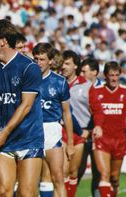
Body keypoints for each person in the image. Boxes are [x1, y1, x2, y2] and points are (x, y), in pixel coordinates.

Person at [0, 19, 44, 197]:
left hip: (29, 138)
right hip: (5, 141)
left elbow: (26, 106)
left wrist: (4, 132)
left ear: (2, 41)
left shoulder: (29, 67)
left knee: (26, 194)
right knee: (3, 192)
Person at [32, 42, 74, 197]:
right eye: (36, 59)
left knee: (58, 178)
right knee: (28, 181)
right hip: (31, 130)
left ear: (50, 60)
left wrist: (70, 143)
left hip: (52, 131)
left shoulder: (59, 82)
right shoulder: (26, 80)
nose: (38, 63)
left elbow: (66, 113)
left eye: (42, 59)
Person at [89, 61, 126, 197]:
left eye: (117, 75)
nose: (114, 78)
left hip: (120, 140)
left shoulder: (124, 93)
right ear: (105, 75)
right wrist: (97, 126)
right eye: (111, 75)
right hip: (102, 139)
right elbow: (93, 111)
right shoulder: (96, 91)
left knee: (114, 177)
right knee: (104, 174)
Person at [61, 50, 92, 197]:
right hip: (61, 131)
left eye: (67, 63)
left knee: (74, 172)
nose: (63, 66)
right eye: (62, 63)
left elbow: (94, 110)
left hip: (80, 133)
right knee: (63, 170)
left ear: (75, 66)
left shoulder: (87, 85)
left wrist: (90, 128)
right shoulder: (58, 81)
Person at [78, 58, 102, 197]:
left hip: (98, 137)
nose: (81, 74)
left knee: (98, 172)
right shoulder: (77, 87)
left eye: (84, 71)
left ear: (94, 72)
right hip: (82, 134)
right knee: (78, 171)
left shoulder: (102, 89)